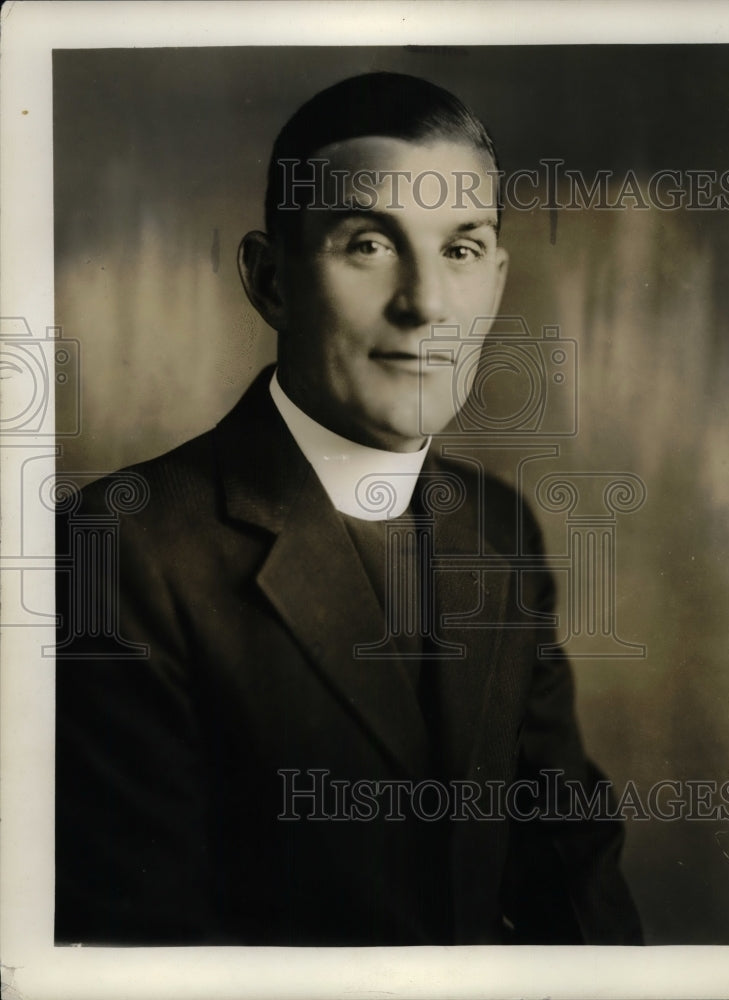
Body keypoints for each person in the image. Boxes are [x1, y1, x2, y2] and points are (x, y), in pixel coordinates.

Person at [55, 72, 642, 946]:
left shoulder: (499, 528)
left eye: (462, 249)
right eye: (368, 244)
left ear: (497, 278)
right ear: (269, 280)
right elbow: (143, 948)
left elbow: (568, 859)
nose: (426, 305)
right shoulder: (124, 547)